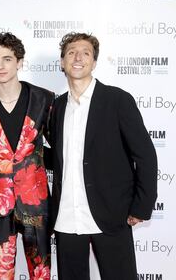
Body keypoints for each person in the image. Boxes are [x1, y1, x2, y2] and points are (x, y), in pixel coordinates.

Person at [50, 32, 157, 280]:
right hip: (66, 217)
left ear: (94, 62)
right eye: (71, 53)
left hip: (112, 212)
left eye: (85, 53)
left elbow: (145, 156)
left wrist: (141, 205)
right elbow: (59, 158)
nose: (78, 57)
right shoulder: (57, 107)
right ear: (62, 62)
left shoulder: (117, 100)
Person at [0, 32, 54, 280]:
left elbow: (61, 149)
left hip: (35, 199)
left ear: (19, 62)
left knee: (40, 271)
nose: (0, 66)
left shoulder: (44, 99)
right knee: (2, 272)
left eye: (7, 59)